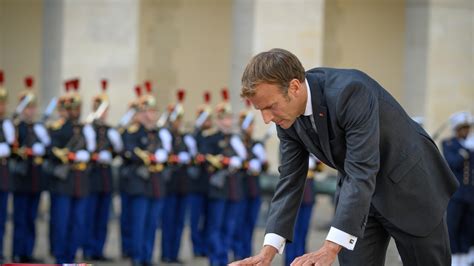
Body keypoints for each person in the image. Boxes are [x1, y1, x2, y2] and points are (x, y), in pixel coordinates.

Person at [231, 48, 458, 266]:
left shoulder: (351, 91)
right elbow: (290, 179)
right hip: (357, 196)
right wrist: (267, 253)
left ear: (294, 87)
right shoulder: (286, 116)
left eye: (270, 107)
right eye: (261, 110)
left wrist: (329, 248)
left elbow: (362, 168)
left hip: (411, 186)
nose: (266, 119)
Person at [83, 79, 123, 261]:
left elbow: (117, 151)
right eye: (103, 109)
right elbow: (88, 150)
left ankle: (99, 248)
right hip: (92, 177)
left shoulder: (108, 130)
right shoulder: (88, 128)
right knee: (90, 215)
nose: (106, 113)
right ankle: (88, 248)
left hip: (106, 177)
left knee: (103, 217)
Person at [11, 76, 50, 263]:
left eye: (33, 107)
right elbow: (14, 147)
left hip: (35, 179)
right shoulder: (16, 126)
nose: (31, 111)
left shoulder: (38, 127)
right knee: (20, 218)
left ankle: (29, 250)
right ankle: (18, 252)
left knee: (32, 218)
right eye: (28, 107)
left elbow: (48, 148)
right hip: (21, 178)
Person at [442, 111, 473, 266]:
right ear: (456, 129)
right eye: (463, 128)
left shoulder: (470, 145)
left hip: (470, 195)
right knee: (453, 228)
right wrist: (465, 152)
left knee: (468, 228)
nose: (466, 131)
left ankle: (465, 259)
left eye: (468, 127)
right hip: (455, 194)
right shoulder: (448, 144)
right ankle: (453, 259)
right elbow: (453, 162)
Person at [0, 70, 15, 264]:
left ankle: (1, 250)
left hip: (2, 176)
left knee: (2, 218)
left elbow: (13, 146)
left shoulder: (7, 124)